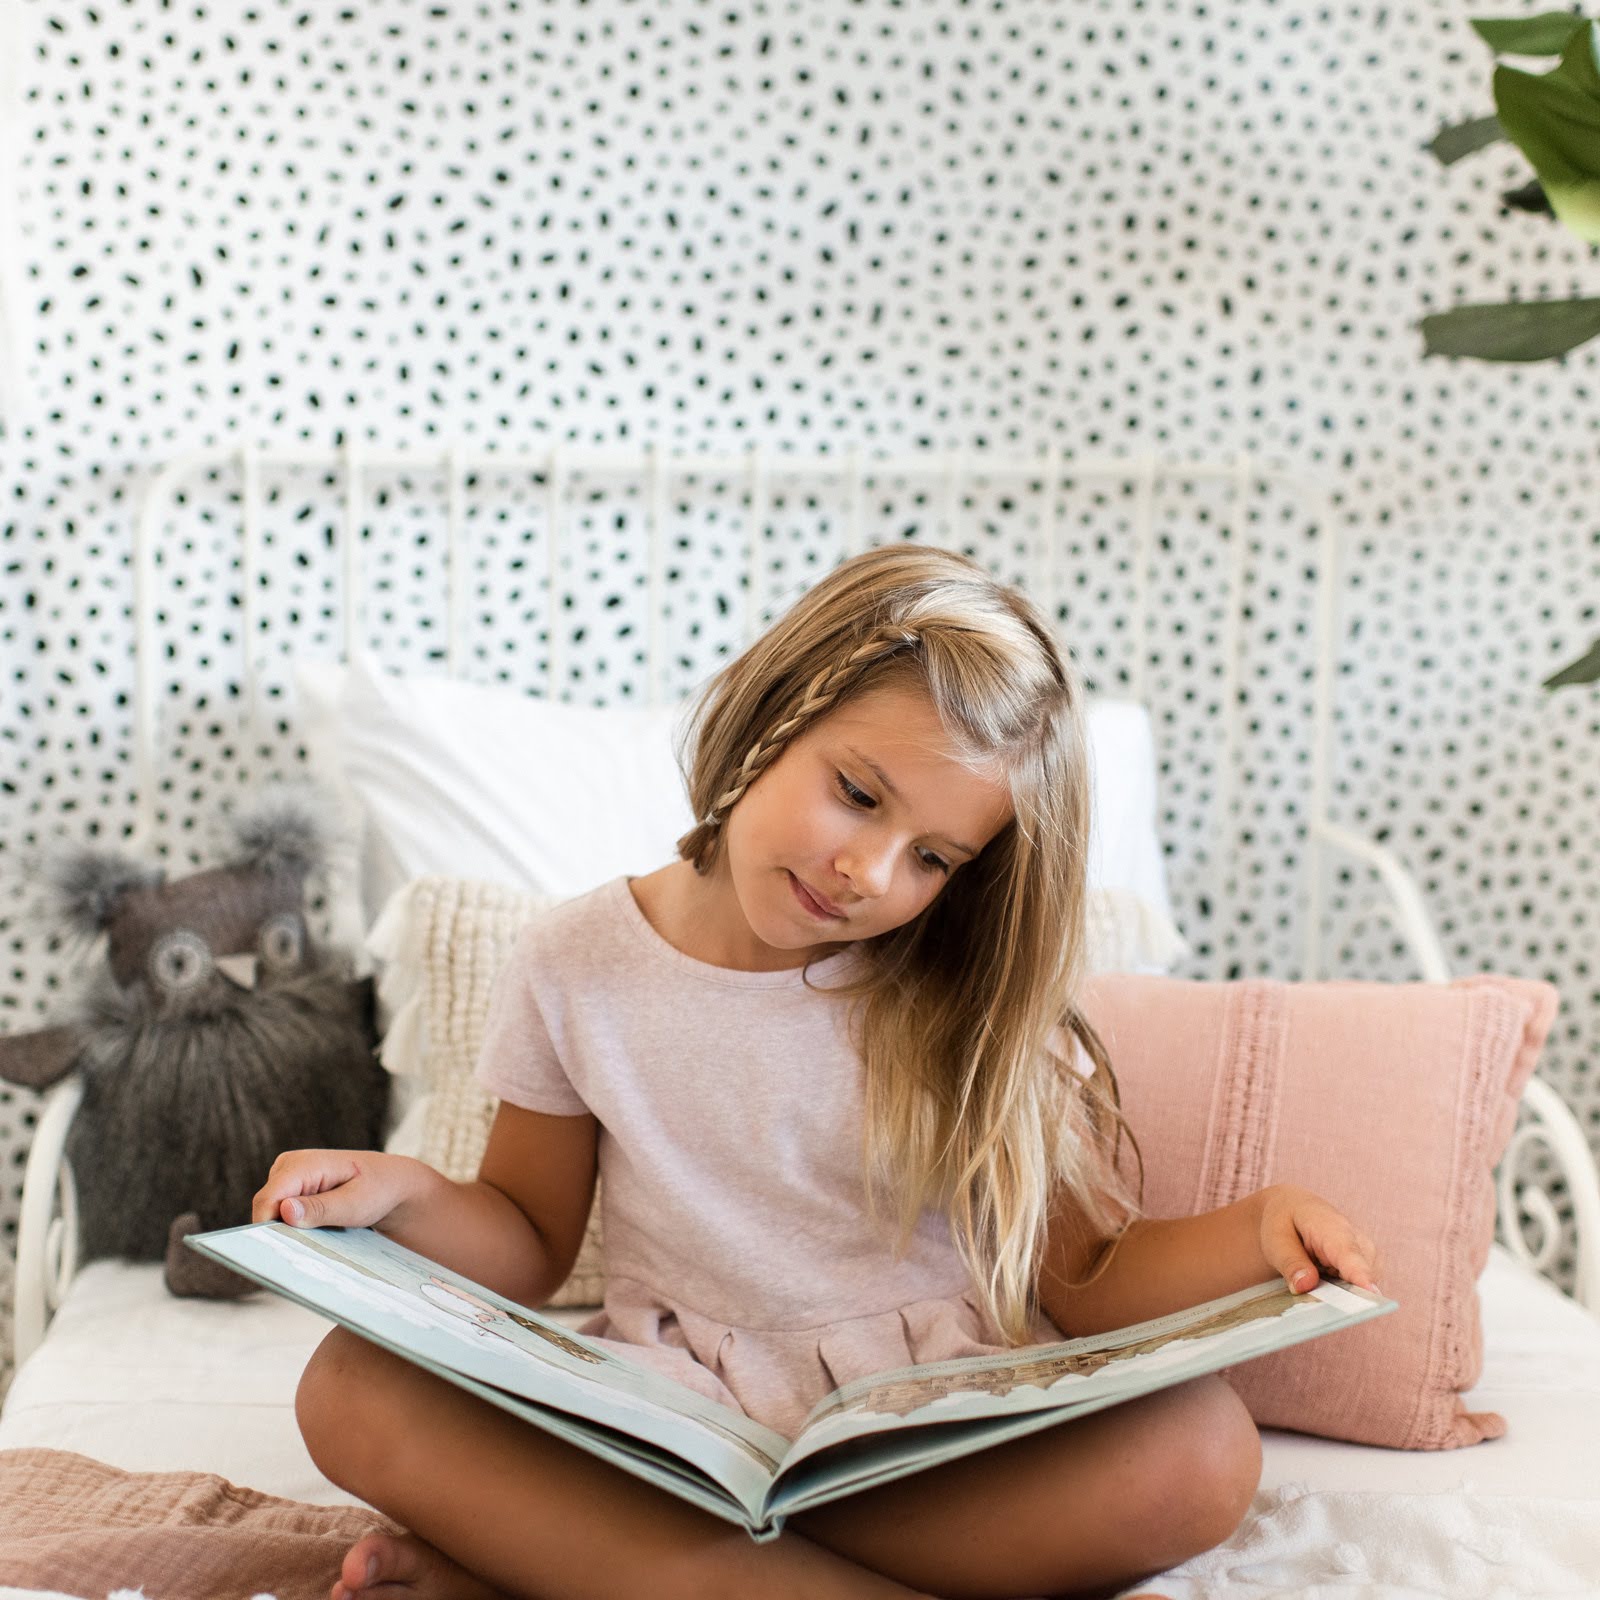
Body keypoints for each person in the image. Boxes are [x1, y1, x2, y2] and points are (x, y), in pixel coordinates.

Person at [255, 545, 1382, 1600]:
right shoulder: (573, 959)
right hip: (675, 1418)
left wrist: (1260, 1227)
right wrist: (401, 1193)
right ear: (775, 712)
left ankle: (596, 1569)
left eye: (932, 857)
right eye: (857, 792)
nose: (867, 870)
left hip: (920, 1434)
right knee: (353, 1385)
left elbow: (1086, 1275)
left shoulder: (957, 995)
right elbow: (528, 1241)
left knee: (1198, 1450)